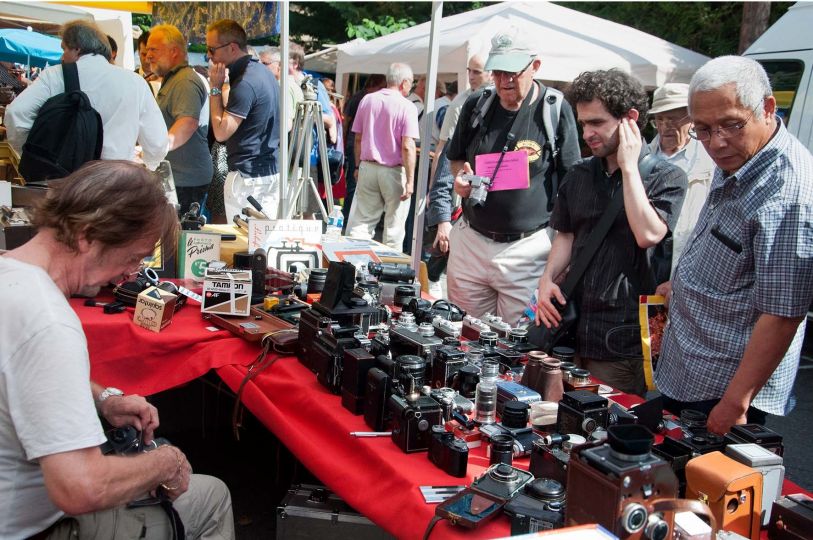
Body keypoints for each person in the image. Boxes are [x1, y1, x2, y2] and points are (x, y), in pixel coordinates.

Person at [0, 160, 235, 539]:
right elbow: (81, 487)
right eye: (133, 257)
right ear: (87, 237)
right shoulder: (49, 322)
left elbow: (22, 378)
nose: (130, 274)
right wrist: (165, 462)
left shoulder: (9, 273)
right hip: (31, 528)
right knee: (210, 497)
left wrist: (104, 398)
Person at [655, 56, 813, 434]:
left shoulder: (788, 194)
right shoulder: (741, 157)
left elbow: (782, 315)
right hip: (691, 367)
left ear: (768, 108)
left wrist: (735, 403)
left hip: (722, 390)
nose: (717, 142)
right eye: (704, 129)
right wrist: (683, 283)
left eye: (731, 125)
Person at [535, 69, 686, 396]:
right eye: (583, 123)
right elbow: (565, 235)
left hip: (620, 338)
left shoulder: (667, 176)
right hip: (568, 327)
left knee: (604, 431)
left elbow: (648, 233)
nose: (587, 133)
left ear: (631, 119)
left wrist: (629, 168)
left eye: (597, 123)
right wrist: (547, 279)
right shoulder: (579, 173)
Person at [447, 26, 580, 325]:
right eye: (497, 72)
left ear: (535, 66)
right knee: (461, 334)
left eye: (513, 72)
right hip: (472, 242)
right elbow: (455, 158)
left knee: (515, 343)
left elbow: (573, 181)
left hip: (527, 250)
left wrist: (564, 253)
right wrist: (461, 179)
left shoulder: (555, 109)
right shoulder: (477, 104)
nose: (504, 81)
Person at [6, 19, 167, 170]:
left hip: (66, 178)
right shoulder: (135, 82)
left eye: (64, 49)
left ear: (77, 49)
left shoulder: (55, 75)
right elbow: (158, 143)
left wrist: (30, 153)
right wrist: (150, 164)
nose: (62, 57)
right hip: (115, 180)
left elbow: (16, 113)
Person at [426, 54, 492, 295]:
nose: (471, 77)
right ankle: (432, 277)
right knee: (445, 246)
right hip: (461, 197)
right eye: (470, 71)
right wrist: (440, 209)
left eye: (477, 71)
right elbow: (447, 151)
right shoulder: (464, 103)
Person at [207, 19, 281, 220]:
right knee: (260, 244)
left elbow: (221, 133)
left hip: (249, 179)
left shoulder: (246, 81)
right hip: (263, 173)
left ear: (231, 48)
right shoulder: (262, 73)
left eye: (212, 49)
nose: (208, 55)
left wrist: (215, 88)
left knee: (247, 245)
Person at [345, 63, 419, 250]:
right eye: (411, 82)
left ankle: (354, 264)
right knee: (394, 227)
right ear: (404, 83)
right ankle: (389, 271)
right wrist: (410, 180)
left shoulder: (368, 100)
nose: (411, 86)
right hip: (393, 171)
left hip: (367, 166)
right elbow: (408, 146)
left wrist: (356, 165)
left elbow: (358, 138)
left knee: (362, 222)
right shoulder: (407, 106)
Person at [647, 83, 715, 282]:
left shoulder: (709, 161)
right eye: (659, 119)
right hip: (647, 257)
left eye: (673, 119)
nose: (664, 126)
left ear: (692, 119)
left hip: (686, 256)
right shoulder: (641, 158)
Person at [147, 24, 213, 216]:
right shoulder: (175, 79)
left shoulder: (185, 81)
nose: (147, 55)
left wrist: (158, 148)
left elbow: (187, 122)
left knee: (180, 238)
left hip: (186, 180)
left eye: (153, 49)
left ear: (174, 51)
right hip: (178, 177)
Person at [342, 74, 386, 226]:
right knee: (353, 184)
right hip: (354, 145)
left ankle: (348, 218)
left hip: (357, 144)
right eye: (382, 86)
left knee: (356, 184)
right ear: (374, 84)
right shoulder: (361, 98)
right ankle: (347, 217)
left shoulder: (364, 98)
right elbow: (346, 121)